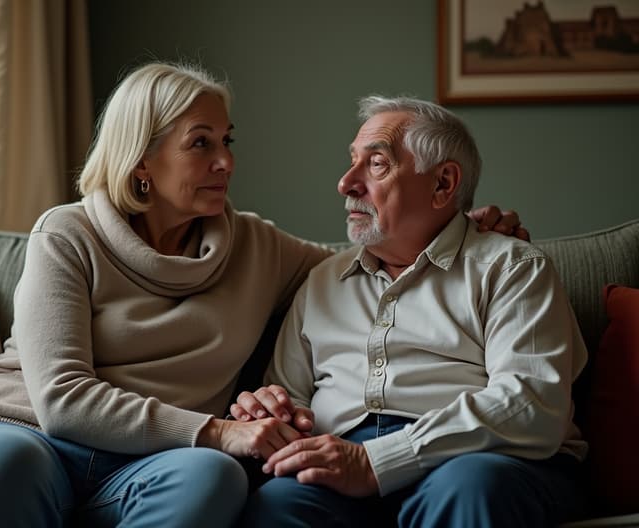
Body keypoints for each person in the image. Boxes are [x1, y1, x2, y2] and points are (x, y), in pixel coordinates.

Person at [0, 63, 525, 528]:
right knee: (6, 466)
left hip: (147, 465)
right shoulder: (67, 234)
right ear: (142, 159)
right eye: (200, 143)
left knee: (215, 479)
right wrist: (220, 432)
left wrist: (461, 229)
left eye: (226, 139)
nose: (226, 161)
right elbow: (63, 399)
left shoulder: (257, 248)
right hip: (21, 431)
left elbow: (378, 263)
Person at [232, 96, 588, 527]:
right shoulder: (322, 280)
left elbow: (532, 405)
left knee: (472, 487)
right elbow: (289, 395)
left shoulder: (512, 268)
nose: (346, 183)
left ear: (443, 184)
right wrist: (274, 415)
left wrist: (378, 461)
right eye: (351, 162)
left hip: (476, 460)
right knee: (276, 506)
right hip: (338, 465)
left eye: (377, 163)